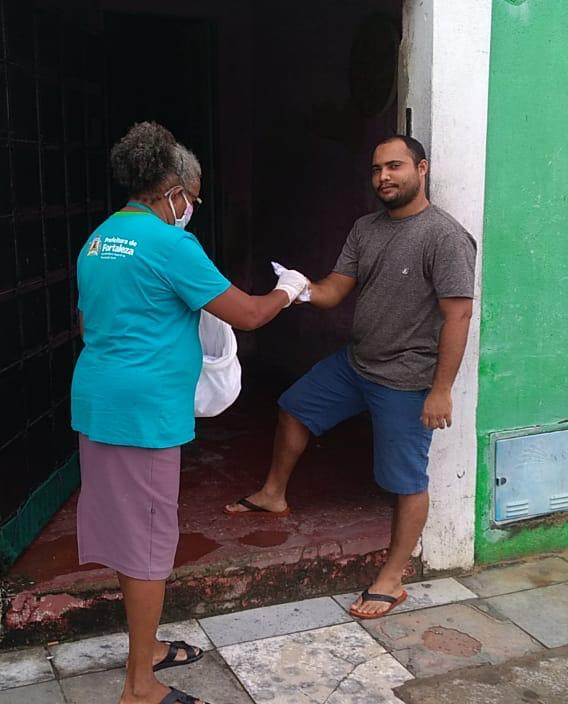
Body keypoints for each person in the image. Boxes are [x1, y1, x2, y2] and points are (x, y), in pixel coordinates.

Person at [72, 122, 308, 704]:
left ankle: (146, 649)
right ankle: (140, 687)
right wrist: (290, 290)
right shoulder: (170, 244)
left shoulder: (100, 239)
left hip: (100, 400)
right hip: (144, 413)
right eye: (193, 199)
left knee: (131, 534)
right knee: (151, 544)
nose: (192, 209)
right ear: (173, 189)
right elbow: (249, 315)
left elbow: (87, 323)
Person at [225, 135, 476, 620]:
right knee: (294, 407)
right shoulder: (366, 228)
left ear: (421, 169)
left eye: (395, 166)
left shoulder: (445, 237)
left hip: (406, 376)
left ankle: (393, 577)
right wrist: (296, 289)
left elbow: (458, 317)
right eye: (377, 169)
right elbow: (335, 291)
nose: (384, 176)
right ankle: (273, 494)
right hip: (357, 361)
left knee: (404, 480)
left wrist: (441, 390)